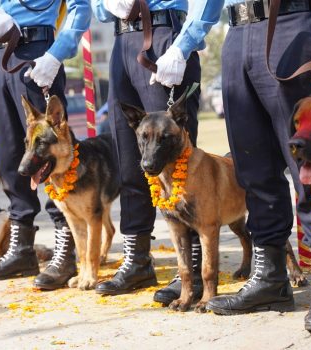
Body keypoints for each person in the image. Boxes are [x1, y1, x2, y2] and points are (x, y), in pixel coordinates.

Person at [151, 0, 311, 331]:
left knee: (310, 164)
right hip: (236, 32)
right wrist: (183, 45)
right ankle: (270, 277)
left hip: (292, 22)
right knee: (253, 167)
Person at [0, 0, 91, 287]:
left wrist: (56, 55)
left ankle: (66, 249)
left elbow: (80, 7)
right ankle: (21, 248)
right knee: (10, 150)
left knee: (52, 156)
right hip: (3, 56)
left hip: (41, 55)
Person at [91, 0, 203, 297]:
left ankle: (191, 267)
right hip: (121, 40)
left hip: (165, 34)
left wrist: (183, 46)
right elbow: (99, 11)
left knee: (175, 163)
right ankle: (137, 261)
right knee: (129, 160)